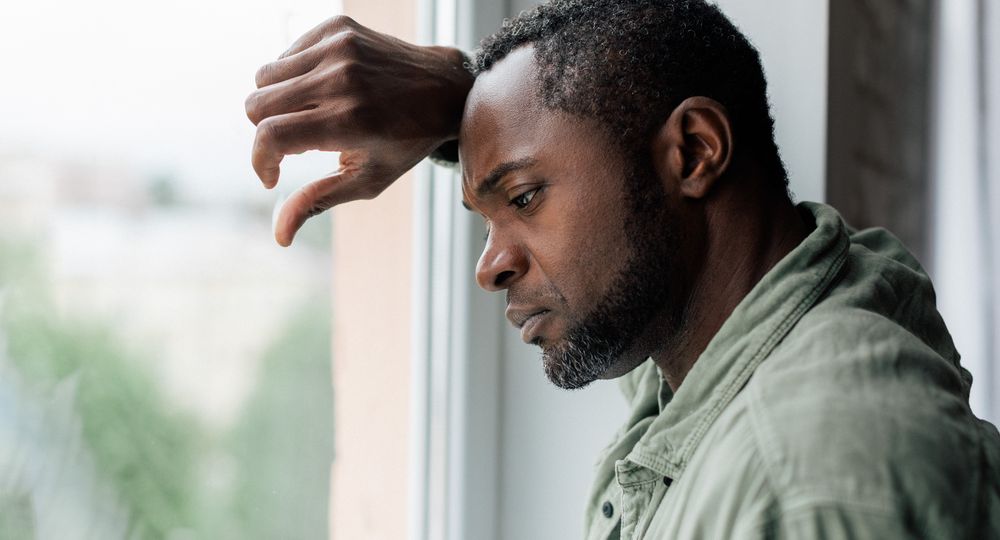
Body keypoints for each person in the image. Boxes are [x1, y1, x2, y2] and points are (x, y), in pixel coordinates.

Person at [245, 0, 1000, 537]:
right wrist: (459, 104)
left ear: (694, 153)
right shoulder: (746, 325)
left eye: (525, 196)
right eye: (487, 217)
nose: (490, 266)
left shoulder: (812, 478)